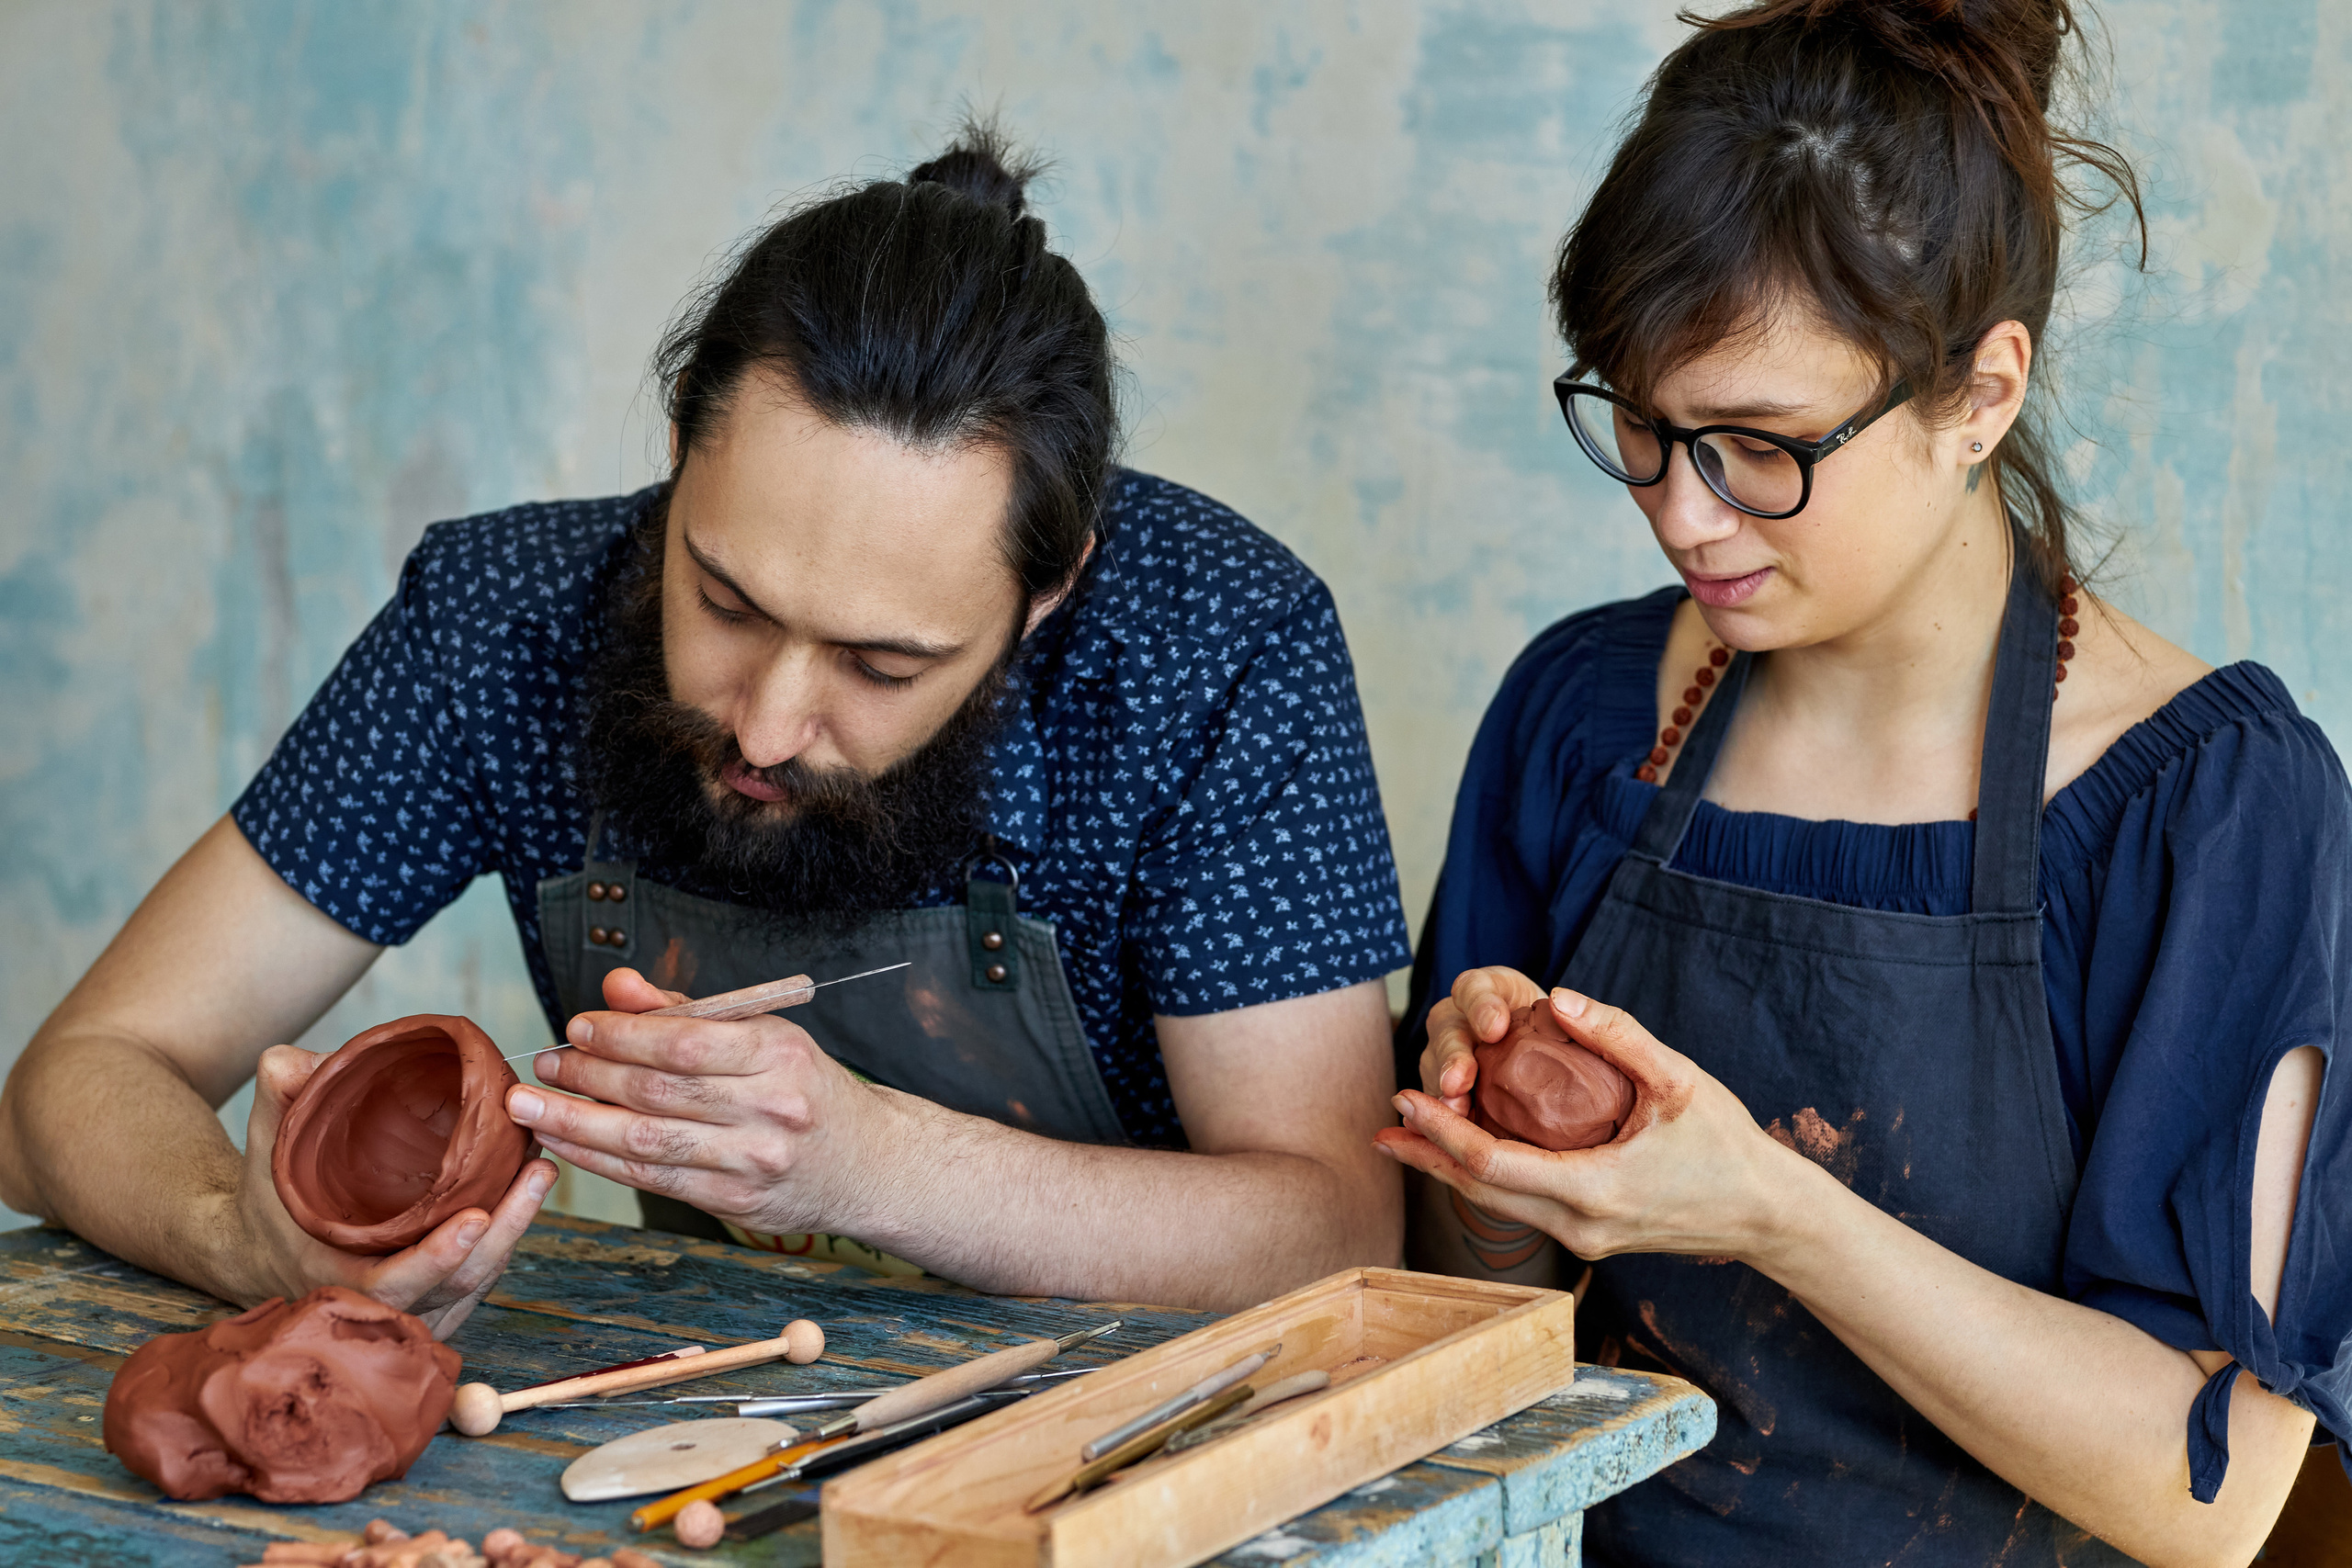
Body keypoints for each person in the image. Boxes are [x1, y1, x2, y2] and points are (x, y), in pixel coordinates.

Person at [0, 124, 1410, 1330]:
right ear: (681, 451)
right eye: (725, 599)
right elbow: (76, 1079)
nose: (771, 724)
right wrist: (232, 1235)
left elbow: (1341, 1230)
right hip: (707, 1420)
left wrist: (871, 1166)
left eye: (882, 662)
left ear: (1048, 593)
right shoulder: (504, 621)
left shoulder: (1218, 646)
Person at [1381, 4, 2346, 1563]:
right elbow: (1458, 1322)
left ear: (1981, 393)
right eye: (1642, 422)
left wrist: (1766, 1205)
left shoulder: (2213, 809)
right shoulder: (1579, 715)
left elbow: (2209, 1491)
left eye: (1761, 447)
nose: (1685, 517)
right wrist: (1490, 1157)